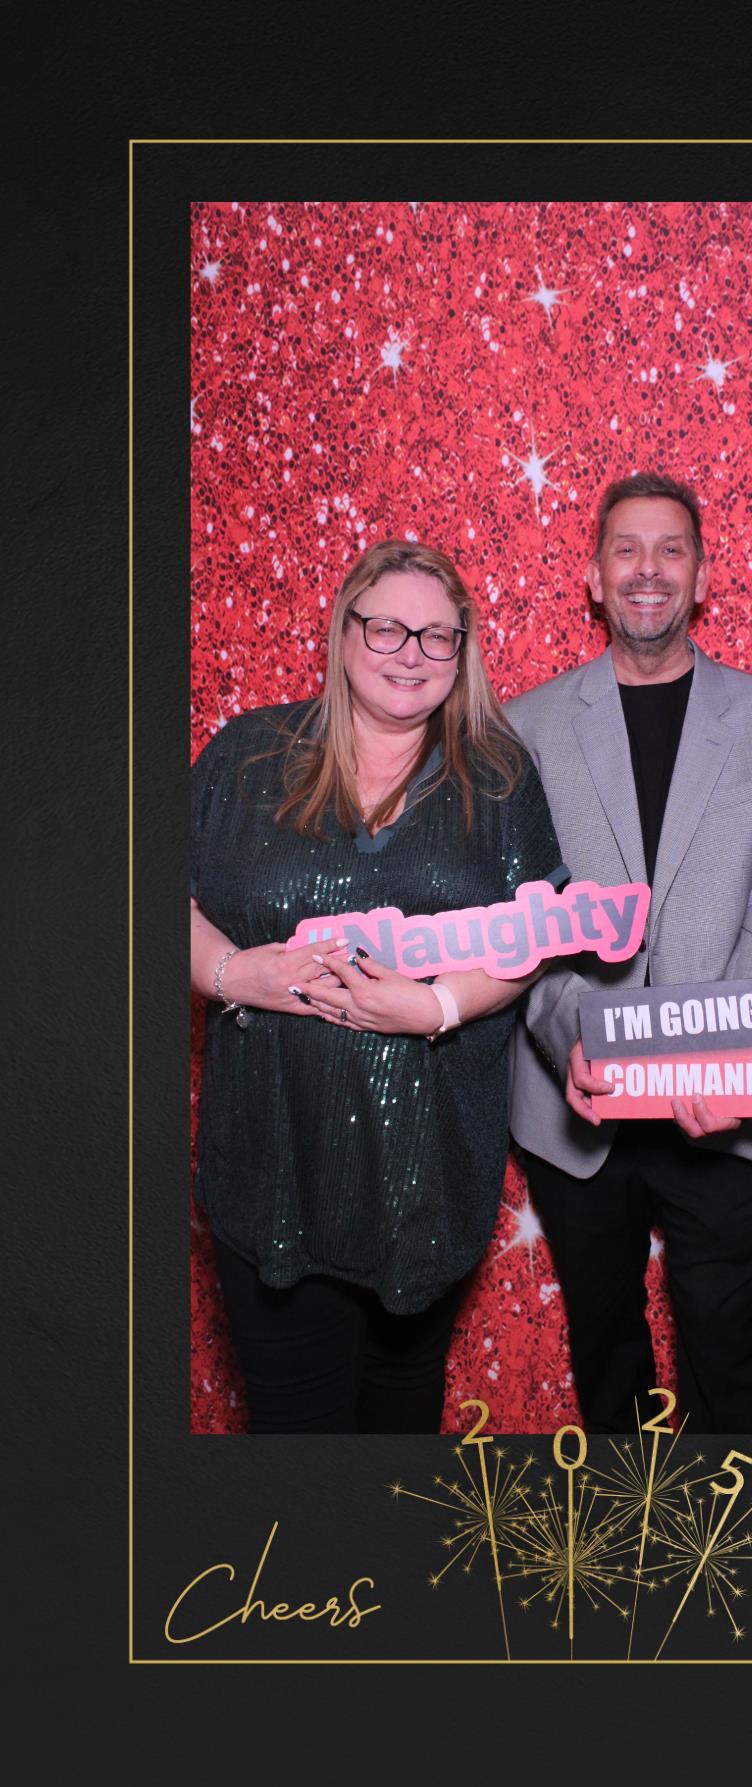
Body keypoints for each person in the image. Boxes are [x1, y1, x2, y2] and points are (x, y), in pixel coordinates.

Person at [190, 540, 566, 1433]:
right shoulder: (248, 756)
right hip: (275, 1166)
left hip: (423, 1181)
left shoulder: (498, 778)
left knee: (400, 1448)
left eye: (438, 637)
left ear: (463, 652)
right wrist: (234, 973)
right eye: (390, 627)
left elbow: (537, 932)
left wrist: (434, 1007)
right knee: (298, 1447)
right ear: (345, 630)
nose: (411, 654)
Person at [507, 473, 752, 1434]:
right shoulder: (523, 729)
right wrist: (574, 1038)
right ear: (595, 576)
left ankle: (750, 1565)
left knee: (728, 1367)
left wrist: (718, 1054)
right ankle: (620, 1566)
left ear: (702, 572)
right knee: (606, 1365)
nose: (649, 569)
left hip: (725, 1106)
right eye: (627, 549)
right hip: (579, 1109)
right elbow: (522, 919)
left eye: (672, 548)